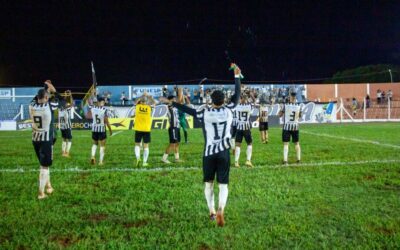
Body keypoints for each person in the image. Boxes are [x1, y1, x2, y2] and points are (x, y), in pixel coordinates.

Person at [160, 63, 242, 227]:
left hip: (209, 153)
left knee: (208, 184)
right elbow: (237, 96)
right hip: (224, 152)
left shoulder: (204, 112)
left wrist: (172, 103)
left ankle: (211, 211)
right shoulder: (229, 110)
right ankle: (221, 209)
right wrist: (237, 76)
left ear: (211, 100)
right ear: (224, 100)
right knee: (223, 184)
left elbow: (188, 110)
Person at [29, 80, 59, 199]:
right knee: (45, 166)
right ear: (46, 97)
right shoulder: (49, 105)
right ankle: (41, 193)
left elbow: (37, 97)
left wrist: (45, 88)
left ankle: (48, 186)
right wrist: (52, 89)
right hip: (46, 139)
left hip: (35, 138)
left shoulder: (31, 105)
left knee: (43, 164)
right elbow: (58, 98)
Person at [279, 89, 302, 165]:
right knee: (297, 143)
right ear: (295, 96)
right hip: (295, 126)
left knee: (286, 144)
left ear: (290, 96)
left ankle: (285, 160)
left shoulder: (286, 105)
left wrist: (281, 108)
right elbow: (300, 116)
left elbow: (279, 115)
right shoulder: (299, 105)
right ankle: (298, 159)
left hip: (287, 127)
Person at [133, 92, 156, 167]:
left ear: (140, 101)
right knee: (146, 146)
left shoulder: (137, 107)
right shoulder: (149, 107)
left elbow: (135, 102)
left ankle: (138, 158)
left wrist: (142, 96)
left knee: (137, 144)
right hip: (146, 129)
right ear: (146, 102)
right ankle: (144, 162)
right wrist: (149, 96)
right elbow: (154, 103)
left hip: (138, 129)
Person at [89, 97, 113, 165]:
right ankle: (100, 161)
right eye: (102, 102)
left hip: (94, 129)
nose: (103, 103)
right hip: (101, 129)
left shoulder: (93, 108)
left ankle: (93, 156)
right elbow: (107, 122)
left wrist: (92, 95)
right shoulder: (104, 110)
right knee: (102, 146)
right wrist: (110, 130)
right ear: (99, 102)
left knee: (94, 144)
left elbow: (89, 102)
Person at [234, 95, 254, 168]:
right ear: (245, 99)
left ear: (240, 99)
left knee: (238, 144)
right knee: (249, 143)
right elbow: (253, 102)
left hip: (239, 127)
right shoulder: (249, 106)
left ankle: (236, 162)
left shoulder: (237, 106)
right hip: (246, 128)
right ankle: (248, 160)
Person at [161, 95, 183, 164]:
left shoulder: (175, 106)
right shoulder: (169, 106)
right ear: (170, 100)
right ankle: (164, 158)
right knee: (172, 144)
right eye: (173, 99)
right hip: (173, 127)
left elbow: (180, 101)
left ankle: (177, 158)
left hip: (177, 126)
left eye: (175, 99)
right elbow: (171, 102)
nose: (175, 100)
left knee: (177, 143)